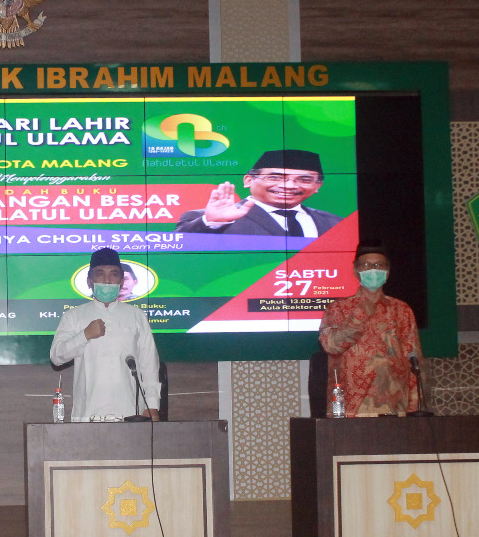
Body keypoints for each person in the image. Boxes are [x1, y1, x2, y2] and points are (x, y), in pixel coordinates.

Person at [50, 248, 161, 421]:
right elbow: (56, 357)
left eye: (113, 274)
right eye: (100, 274)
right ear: (89, 281)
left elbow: (149, 365)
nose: (107, 281)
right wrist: (84, 335)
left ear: (121, 281)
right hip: (88, 414)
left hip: (130, 412)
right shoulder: (73, 316)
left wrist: (152, 405)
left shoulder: (137, 316)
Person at [319, 241, 421, 416]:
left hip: (395, 408)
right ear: (356, 271)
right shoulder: (338, 308)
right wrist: (359, 315)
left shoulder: (401, 310)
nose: (373, 270)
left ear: (387, 271)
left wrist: (413, 409)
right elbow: (330, 345)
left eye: (378, 265)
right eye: (366, 265)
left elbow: (413, 360)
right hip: (351, 409)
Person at [174, 149, 343, 237]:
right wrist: (212, 222)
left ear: (317, 186)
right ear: (248, 180)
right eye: (275, 177)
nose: (289, 186)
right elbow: (177, 251)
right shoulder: (211, 219)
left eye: (304, 179)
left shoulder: (335, 222)